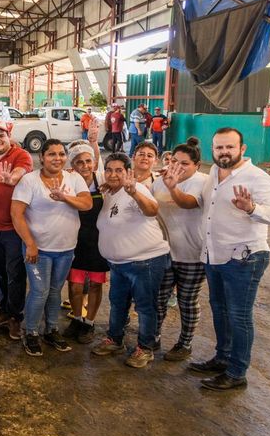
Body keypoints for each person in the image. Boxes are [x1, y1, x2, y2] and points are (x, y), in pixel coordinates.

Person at [189, 128, 270, 391]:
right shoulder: (213, 173)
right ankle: (222, 358)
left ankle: (237, 371)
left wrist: (252, 208)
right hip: (215, 254)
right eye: (219, 147)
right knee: (220, 311)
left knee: (239, 316)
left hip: (244, 258)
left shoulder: (258, 178)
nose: (224, 152)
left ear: (242, 149)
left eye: (229, 147)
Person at [11, 140, 92, 356]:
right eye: (51, 154)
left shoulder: (73, 178)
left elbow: (87, 204)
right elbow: (16, 214)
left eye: (61, 154)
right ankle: (30, 332)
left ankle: (51, 329)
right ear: (41, 158)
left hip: (66, 249)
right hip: (39, 249)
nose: (57, 158)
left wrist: (65, 197)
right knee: (40, 291)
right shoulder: (29, 181)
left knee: (55, 291)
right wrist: (30, 243)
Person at [92, 153, 170, 369]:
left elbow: (152, 210)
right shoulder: (109, 192)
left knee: (145, 307)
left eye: (119, 170)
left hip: (144, 261)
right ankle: (115, 339)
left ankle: (145, 348)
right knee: (117, 303)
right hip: (118, 264)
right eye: (109, 170)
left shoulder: (136, 190)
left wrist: (134, 192)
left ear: (128, 173)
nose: (113, 174)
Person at [151, 138, 208, 361]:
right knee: (158, 299)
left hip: (192, 254)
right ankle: (152, 337)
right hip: (163, 252)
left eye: (184, 163)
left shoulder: (203, 182)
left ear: (197, 165)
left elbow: (187, 203)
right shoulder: (159, 181)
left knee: (187, 301)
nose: (178, 166)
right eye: (174, 160)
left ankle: (185, 344)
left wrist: (173, 186)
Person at [0, 119, 33, 340]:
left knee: (15, 275)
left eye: (1, 135)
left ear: (8, 135)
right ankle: (4, 311)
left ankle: (16, 317)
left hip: (14, 229)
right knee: (1, 272)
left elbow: (20, 172)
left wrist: (10, 178)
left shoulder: (20, 155)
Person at [64, 143, 108, 344]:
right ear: (72, 164)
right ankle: (77, 318)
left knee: (96, 286)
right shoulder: (69, 181)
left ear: (94, 162)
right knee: (75, 286)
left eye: (88, 161)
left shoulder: (103, 180)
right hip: (75, 240)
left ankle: (89, 323)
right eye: (79, 162)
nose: (85, 165)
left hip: (99, 242)